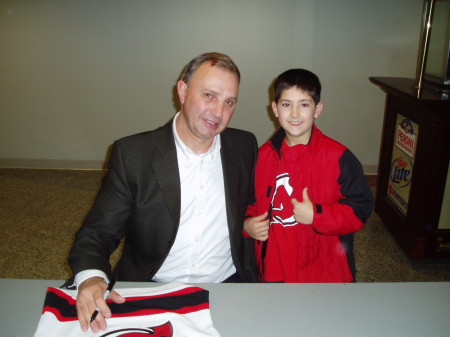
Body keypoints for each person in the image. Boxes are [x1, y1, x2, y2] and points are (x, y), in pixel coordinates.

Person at [67, 52, 258, 333]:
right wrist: (91, 278)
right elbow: (97, 233)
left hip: (229, 286)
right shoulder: (134, 155)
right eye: (209, 95)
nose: (218, 113)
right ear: (182, 91)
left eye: (229, 102)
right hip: (150, 286)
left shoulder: (244, 147)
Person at [243, 69, 373, 283]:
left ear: (318, 109)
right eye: (286, 104)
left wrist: (316, 215)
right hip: (275, 270)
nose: (295, 114)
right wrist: (247, 225)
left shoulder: (340, 158)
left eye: (304, 105)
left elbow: (360, 210)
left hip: (325, 274)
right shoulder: (261, 157)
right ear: (275, 109)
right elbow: (249, 202)